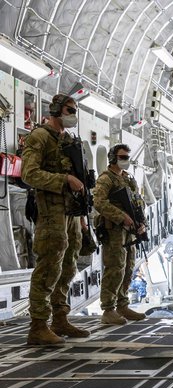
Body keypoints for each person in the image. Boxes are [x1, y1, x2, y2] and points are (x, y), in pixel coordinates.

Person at [21, 94, 90, 344]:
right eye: (70, 110)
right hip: (51, 212)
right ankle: (38, 325)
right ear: (56, 110)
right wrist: (63, 180)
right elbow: (29, 173)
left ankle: (60, 318)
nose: (73, 114)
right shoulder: (39, 137)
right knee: (49, 264)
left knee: (69, 262)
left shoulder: (69, 141)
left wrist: (82, 216)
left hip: (71, 213)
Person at [93, 144, 148, 325]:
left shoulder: (128, 179)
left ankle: (122, 304)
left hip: (130, 231)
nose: (125, 161)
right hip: (114, 230)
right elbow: (99, 203)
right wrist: (121, 216)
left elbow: (138, 203)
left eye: (127, 158)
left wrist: (143, 223)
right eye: (122, 157)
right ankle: (108, 309)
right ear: (112, 158)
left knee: (128, 267)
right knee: (114, 267)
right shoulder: (106, 179)